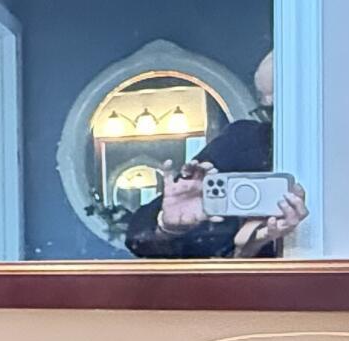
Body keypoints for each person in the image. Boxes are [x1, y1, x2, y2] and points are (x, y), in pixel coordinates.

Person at [120, 52, 307, 259]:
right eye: (268, 110)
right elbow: (139, 235)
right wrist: (168, 227)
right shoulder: (246, 142)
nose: (277, 120)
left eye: (282, 108)